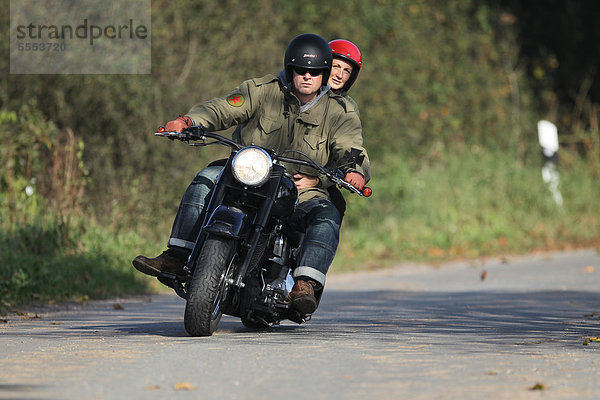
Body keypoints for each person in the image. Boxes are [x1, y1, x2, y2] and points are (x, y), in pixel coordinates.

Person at [133, 33, 370, 315]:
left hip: (301, 188)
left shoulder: (340, 110)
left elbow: (351, 147)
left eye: (315, 72)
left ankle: (305, 283)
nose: (307, 76)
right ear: (290, 68)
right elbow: (223, 108)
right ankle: (176, 255)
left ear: (323, 74)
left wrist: (353, 170)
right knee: (204, 180)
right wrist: (188, 121)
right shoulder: (263, 90)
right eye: (301, 70)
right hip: (247, 173)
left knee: (326, 214)